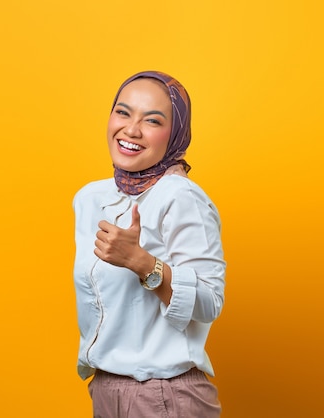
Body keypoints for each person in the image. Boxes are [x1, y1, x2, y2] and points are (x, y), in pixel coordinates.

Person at [72, 70, 226, 417]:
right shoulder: (89, 199)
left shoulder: (181, 196)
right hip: (105, 390)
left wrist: (142, 262)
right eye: (123, 112)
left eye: (152, 120)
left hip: (164, 395)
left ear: (175, 134)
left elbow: (209, 303)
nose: (132, 130)